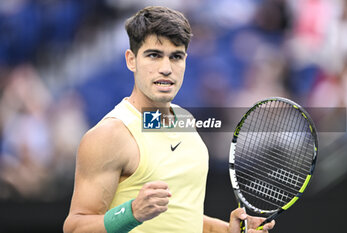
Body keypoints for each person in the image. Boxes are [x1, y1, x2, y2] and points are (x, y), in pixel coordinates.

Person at [63, 6, 275, 233]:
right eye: (154, 55)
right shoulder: (110, 135)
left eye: (176, 57)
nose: (166, 68)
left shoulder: (185, 120)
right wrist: (132, 213)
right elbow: (75, 227)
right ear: (131, 60)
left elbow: (179, 217)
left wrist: (226, 230)